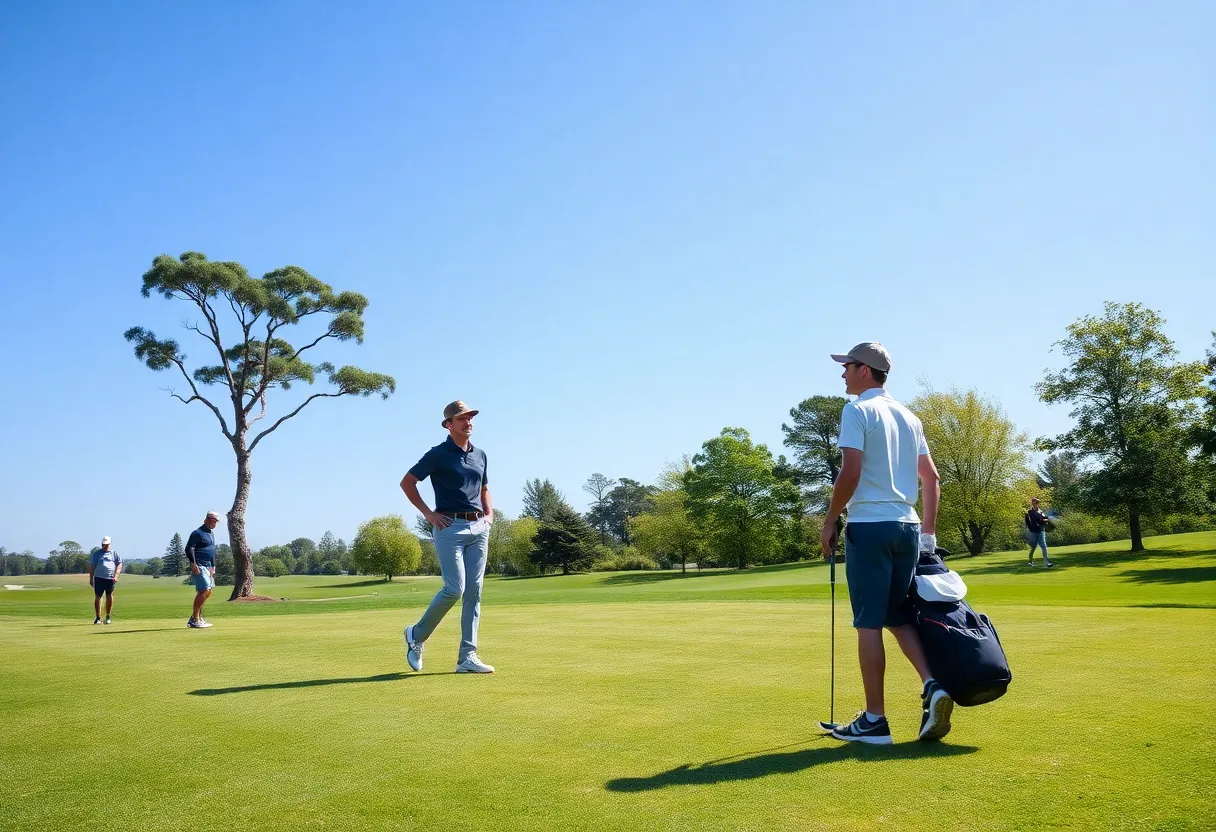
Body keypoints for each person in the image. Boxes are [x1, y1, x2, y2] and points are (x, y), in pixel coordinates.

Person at [820, 342, 953, 745]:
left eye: (847, 367)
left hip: (871, 526)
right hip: (908, 528)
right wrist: (927, 534)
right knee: (897, 615)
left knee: (868, 622)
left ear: (866, 371)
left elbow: (850, 473)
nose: (842, 373)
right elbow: (931, 479)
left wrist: (829, 519)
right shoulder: (910, 417)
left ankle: (875, 721)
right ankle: (933, 686)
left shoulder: (857, 411)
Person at [400, 401, 495, 674]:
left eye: (470, 417)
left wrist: (489, 516)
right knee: (455, 588)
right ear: (448, 425)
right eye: (462, 419)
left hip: (478, 529)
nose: (468, 422)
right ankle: (416, 635)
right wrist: (428, 514)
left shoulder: (481, 455)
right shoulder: (438, 454)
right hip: (448, 527)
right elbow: (407, 482)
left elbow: (485, 488)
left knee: (474, 592)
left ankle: (467, 657)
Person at [185, 511, 221, 628]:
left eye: (216, 521)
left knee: (208, 592)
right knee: (204, 590)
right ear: (206, 519)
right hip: (199, 565)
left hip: (208, 566)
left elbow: (212, 551)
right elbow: (189, 549)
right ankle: (195, 619)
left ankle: (198, 617)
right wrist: (194, 564)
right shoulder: (197, 533)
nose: (214, 523)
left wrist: (213, 566)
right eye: (213, 520)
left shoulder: (210, 534)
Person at [88, 536, 122, 624]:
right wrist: (91, 578)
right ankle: (98, 618)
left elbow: (119, 563)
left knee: (109, 596)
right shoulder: (97, 554)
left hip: (110, 578)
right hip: (99, 578)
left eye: (107, 544)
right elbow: (92, 567)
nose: (105, 546)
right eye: (104, 544)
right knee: (98, 597)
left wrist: (116, 575)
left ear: (109, 544)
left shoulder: (114, 553)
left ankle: (107, 616)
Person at [1025, 497, 1054, 567]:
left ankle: (1047, 563)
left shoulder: (1041, 512)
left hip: (1041, 532)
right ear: (1032, 503)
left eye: (1036, 503)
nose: (1035, 504)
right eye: (1033, 503)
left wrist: (1045, 519)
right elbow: (1027, 521)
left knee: (1044, 547)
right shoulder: (1030, 512)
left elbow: (1044, 519)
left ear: (1038, 503)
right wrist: (1030, 528)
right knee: (1033, 548)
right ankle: (1030, 561)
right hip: (1033, 533)